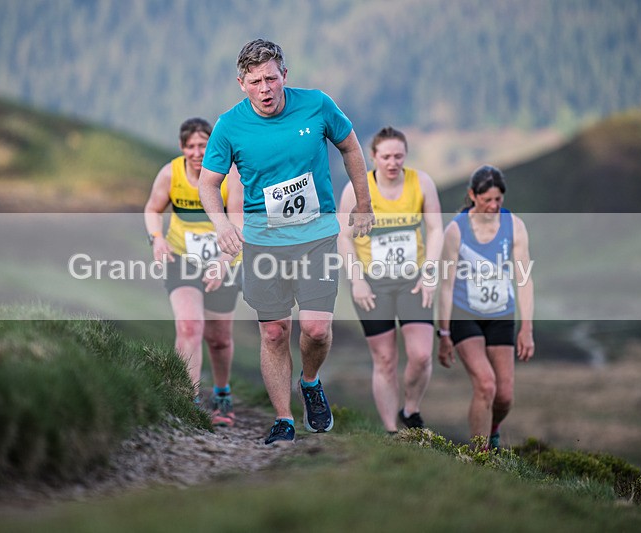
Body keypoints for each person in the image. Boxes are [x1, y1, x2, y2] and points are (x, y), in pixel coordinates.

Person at [198, 39, 374, 445]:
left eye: (272, 79)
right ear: (242, 83)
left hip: (316, 235)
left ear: (284, 76)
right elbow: (209, 182)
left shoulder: (316, 104)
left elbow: (350, 146)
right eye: (256, 81)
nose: (266, 89)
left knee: (315, 329)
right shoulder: (229, 125)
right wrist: (222, 224)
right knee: (274, 333)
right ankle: (283, 419)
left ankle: (309, 381)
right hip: (263, 242)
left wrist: (363, 203)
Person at [338, 126, 443, 434]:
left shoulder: (421, 183)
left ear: (405, 155)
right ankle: (391, 431)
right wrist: (357, 281)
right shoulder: (356, 190)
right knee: (384, 358)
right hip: (373, 282)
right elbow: (343, 237)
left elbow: (436, 229)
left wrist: (430, 274)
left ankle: (410, 409)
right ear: (373, 157)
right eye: (386, 157)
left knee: (422, 355)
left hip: (413, 279)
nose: (392, 163)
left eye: (398, 156)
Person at [144, 117, 243, 427]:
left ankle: (222, 393)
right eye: (191, 147)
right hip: (182, 258)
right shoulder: (170, 173)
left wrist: (223, 263)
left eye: (204, 145)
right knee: (189, 326)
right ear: (181, 148)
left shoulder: (231, 176)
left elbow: (239, 223)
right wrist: (157, 239)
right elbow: (152, 209)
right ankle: (187, 398)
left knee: (219, 339)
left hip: (224, 259)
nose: (198, 153)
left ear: (213, 145)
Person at [436, 164, 535, 450]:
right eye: (487, 199)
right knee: (486, 385)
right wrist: (443, 334)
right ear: (472, 195)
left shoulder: (514, 226)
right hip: (464, 315)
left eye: (498, 200)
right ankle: (479, 458)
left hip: (501, 315)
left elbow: (524, 280)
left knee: (504, 396)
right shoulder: (455, 230)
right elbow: (446, 285)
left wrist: (527, 328)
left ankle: (492, 429)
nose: (493, 205)